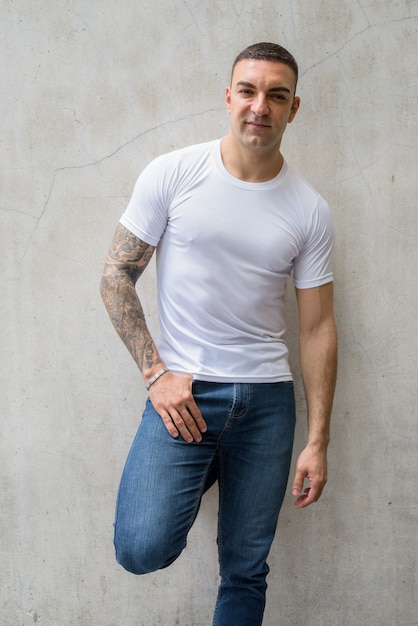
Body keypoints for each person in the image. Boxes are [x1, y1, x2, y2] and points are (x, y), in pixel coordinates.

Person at [100, 42, 337, 626]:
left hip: (266, 404)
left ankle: (227, 458)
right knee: (141, 548)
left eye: (276, 95)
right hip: (185, 396)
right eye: (249, 91)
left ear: (293, 108)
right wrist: (156, 376)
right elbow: (115, 278)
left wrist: (318, 439)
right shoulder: (174, 173)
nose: (261, 106)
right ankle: (206, 462)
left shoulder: (309, 209)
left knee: (245, 569)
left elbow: (317, 326)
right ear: (229, 97)